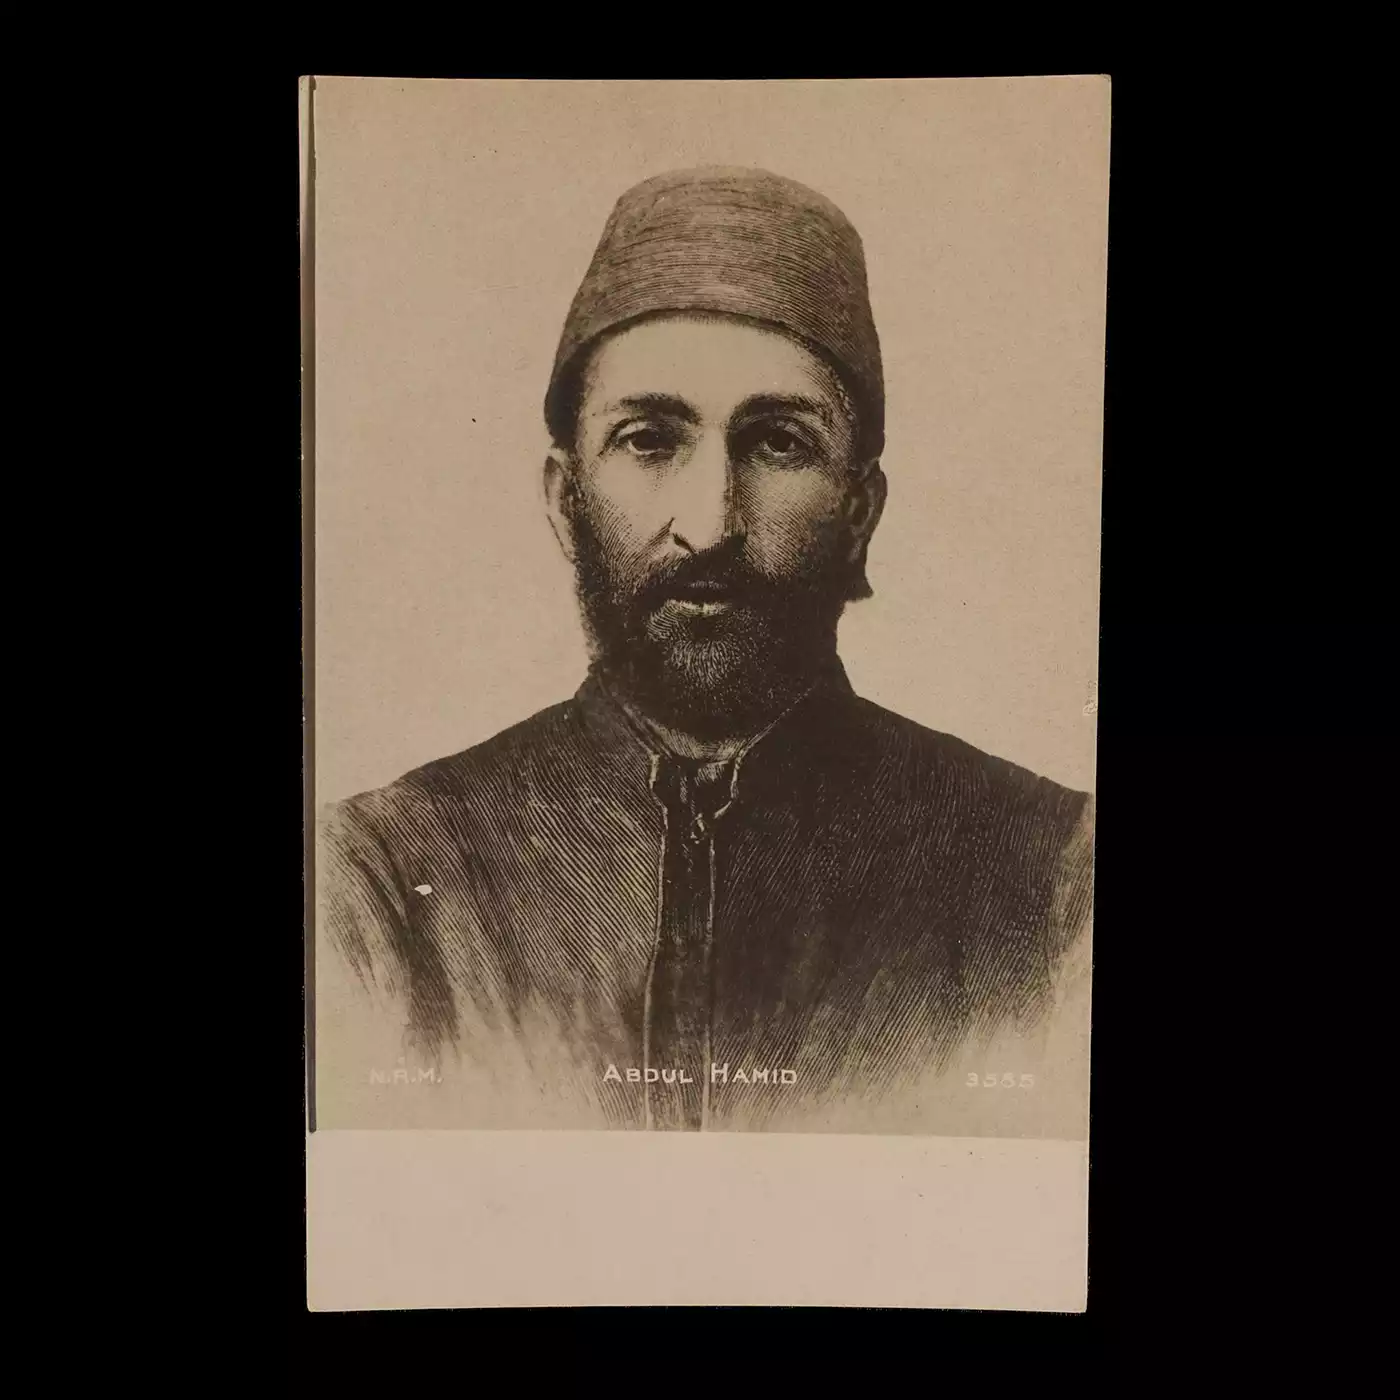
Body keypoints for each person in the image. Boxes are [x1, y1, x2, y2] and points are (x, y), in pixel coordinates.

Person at [313, 166, 1095, 1134]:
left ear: (858, 511)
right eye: (649, 440)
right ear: (564, 499)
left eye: (777, 442)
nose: (711, 523)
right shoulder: (377, 879)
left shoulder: (1053, 874)